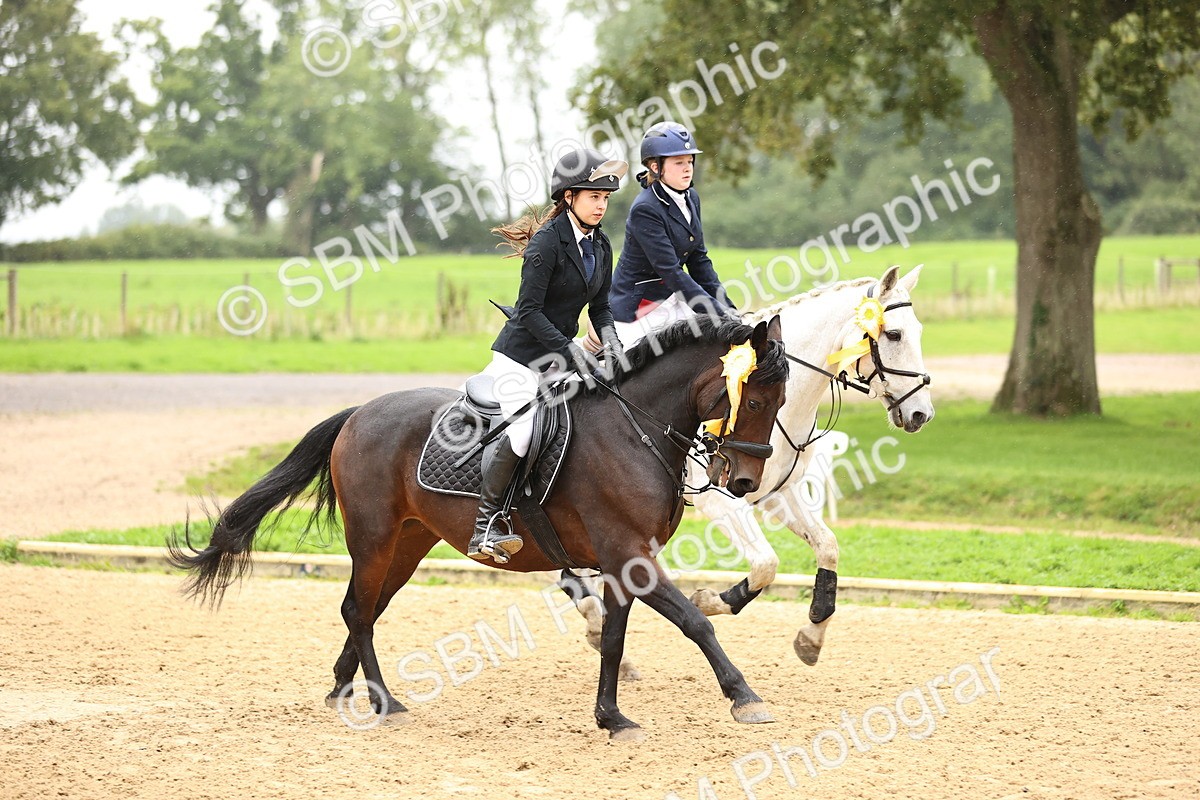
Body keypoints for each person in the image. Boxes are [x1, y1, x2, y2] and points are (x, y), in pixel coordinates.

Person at [467, 148, 628, 563]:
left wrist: (613, 346)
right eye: (594, 196)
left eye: (606, 198)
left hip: (558, 358)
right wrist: (573, 350)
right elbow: (529, 313)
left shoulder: (601, 244)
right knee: (523, 431)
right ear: (569, 196)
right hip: (520, 359)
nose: (601, 204)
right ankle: (485, 526)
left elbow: (602, 308)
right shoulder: (546, 243)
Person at [607, 121, 738, 349]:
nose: (688, 168)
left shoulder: (691, 198)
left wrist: (729, 308)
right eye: (679, 162)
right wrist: (719, 315)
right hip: (640, 307)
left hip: (673, 297)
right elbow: (672, 272)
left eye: (689, 161)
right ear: (656, 167)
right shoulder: (645, 209)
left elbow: (699, 261)